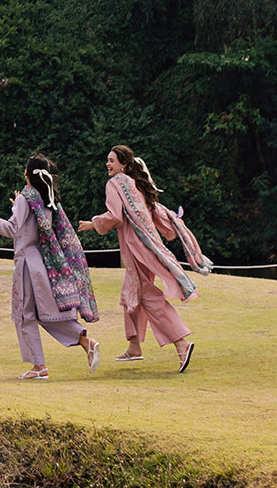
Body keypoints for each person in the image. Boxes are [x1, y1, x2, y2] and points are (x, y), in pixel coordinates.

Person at [76, 145, 213, 372]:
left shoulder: (114, 184)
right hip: (148, 245)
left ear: (124, 164)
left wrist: (93, 224)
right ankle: (134, 347)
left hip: (135, 247)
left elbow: (115, 216)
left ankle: (181, 343)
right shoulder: (134, 183)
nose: (108, 164)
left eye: (112, 161)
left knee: (147, 297)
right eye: (107, 161)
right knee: (130, 293)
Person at [0, 153, 100, 380]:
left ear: (26, 173)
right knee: (41, 314)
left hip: (26, 266)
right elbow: (30, 224)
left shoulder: (26, 197)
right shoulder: (45, 198)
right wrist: (16, 207)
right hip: (42, 264)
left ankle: (39, 367)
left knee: (24, 315)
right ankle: (85, 341)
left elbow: (12, 229)